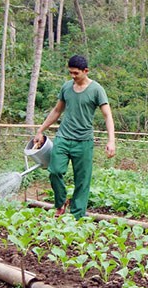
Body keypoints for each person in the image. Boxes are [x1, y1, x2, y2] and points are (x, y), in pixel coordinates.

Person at [34, 55, 116, 219]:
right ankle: (61, 202)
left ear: (86, 71)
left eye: (76, 73)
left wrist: (111, 140)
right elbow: (57, 111)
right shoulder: (66, 87)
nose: (73, 76)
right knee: (55, 171)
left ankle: (77, 216)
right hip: (63, 137)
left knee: (82, 180)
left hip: (84, 141)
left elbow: (107, 115)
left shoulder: (97, 90)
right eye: (70, 73)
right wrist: (40, 130)